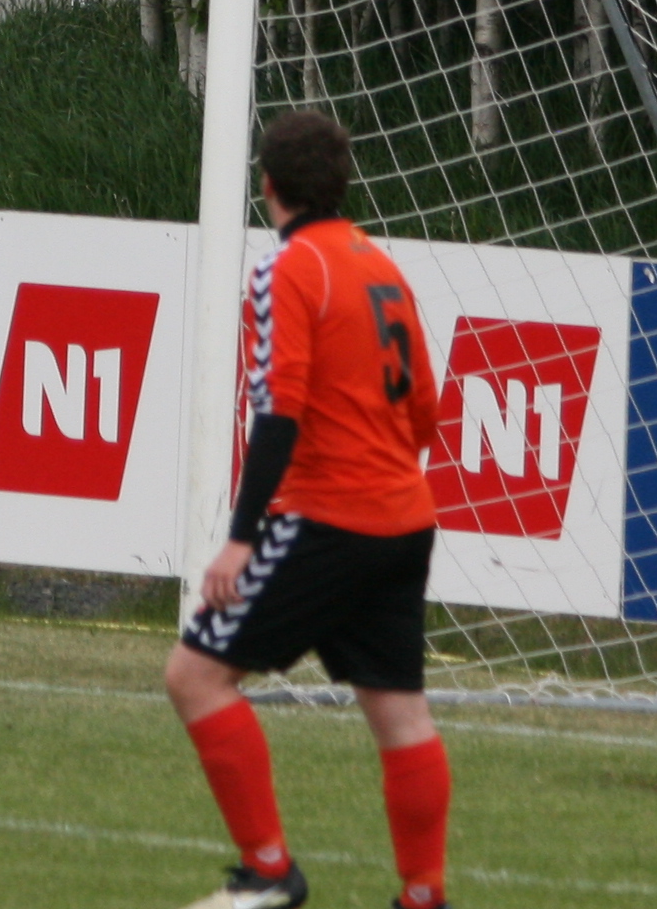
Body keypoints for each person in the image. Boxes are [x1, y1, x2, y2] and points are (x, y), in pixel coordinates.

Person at [167, 108, 451, 909]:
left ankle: (268, 872)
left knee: (195, 676)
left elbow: (279, 412)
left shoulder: (287, 269)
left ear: (267, 185)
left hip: (329, 518)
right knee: (401, 716)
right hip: (405, 519)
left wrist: (240, 539)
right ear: (341, 182)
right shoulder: (380, 266)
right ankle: (423, 894)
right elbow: (426, 410)